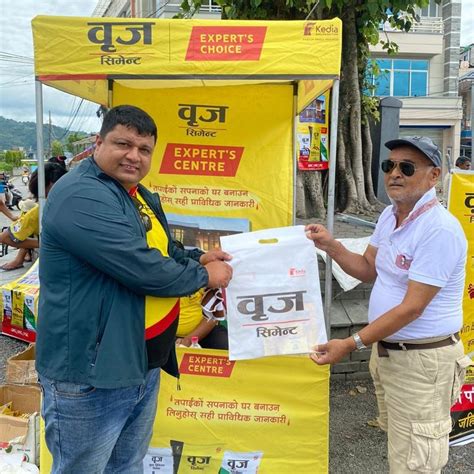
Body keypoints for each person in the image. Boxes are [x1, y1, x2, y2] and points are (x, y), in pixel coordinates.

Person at [36, 105, 233, 474]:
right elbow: (144, 268)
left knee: (126, 465)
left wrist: (200, 257)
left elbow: (164, 250)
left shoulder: (135, 194)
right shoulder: (82, 195)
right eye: (123, 144)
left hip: (140, 363)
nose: (134, 155)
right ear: (98, 143)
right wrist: (206, 277)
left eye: (144, 149)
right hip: (91, 373)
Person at [305, 136, 472, 473]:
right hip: (389, 353)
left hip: (423, 362)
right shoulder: (389, 216)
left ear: (433, 175)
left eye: (406, 167)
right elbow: (368, 269)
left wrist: (351, 343)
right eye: (389, 165)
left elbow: (412, 307)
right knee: (402, 445)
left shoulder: (438, 229)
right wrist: (331, 245)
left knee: (416, 461)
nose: (395, 173)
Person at [0, 163, 67, 271]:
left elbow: (4, 237)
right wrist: (48, 243)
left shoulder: (40, 211)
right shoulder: (38, 213)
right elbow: (4, 237)